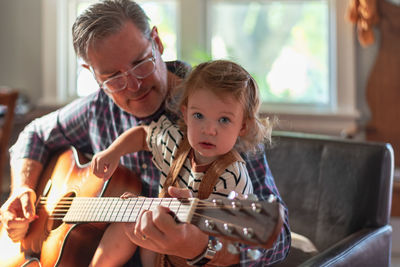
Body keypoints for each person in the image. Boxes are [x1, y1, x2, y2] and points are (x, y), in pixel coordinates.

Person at [0, 0, 291, 266]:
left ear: (157, 42)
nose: (134, 85)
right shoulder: (97, 109)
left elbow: (278, 241)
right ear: (91, 73)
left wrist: (200, 248)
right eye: (113, 77)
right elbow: (34, 134)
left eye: (140, 63)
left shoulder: (217, 113)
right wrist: (22, 190)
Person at [90, 59, 268, 266]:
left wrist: (193, 235)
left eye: (224, 120)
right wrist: (114, 152)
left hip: (195, 259)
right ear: (185, 113)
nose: (209, 130)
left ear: (243, 127)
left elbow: (230, 242)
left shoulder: (233, 176)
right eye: (199, 116)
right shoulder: (175, 142)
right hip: (156, 254)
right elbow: (142, 134)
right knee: (127, 216)